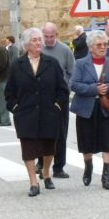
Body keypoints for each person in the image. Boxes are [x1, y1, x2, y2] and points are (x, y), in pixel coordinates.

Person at [5, 27, 69, 197]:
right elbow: (9, 93)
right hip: (26, 115)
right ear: (26, 45)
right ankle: (33, 182)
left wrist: (57, 106)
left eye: (39, 39)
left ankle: (46, 172)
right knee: (28, 149)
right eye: (34, 40)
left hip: (49, 113)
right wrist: (16, 108)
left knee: (49, 148)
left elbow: (62, 89)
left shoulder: (51, 63)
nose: (39, 42)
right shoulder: (17, 65)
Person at [70, 30, 109, 189]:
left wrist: (107, 88)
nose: (103, 47)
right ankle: (88, 166)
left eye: (105, 44)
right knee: (86, 141)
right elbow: (74, 84)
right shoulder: (81, 63)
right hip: (86, 108)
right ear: (91, 47)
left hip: (107, 108)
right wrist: (94, 89)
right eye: (99, 45)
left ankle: (106, 176)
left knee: (108, 141)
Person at [40, 21, 75, 178]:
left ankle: (59, 166)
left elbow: (72, 72)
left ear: (57, 35)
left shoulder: (65, 50)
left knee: (61, 132)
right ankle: (41, 163)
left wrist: (65, 88)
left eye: (51, 36)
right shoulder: (37, 48)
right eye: (45, 36)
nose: (48, 40)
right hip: (40, 98)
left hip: (60, 97)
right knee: (41, 132)